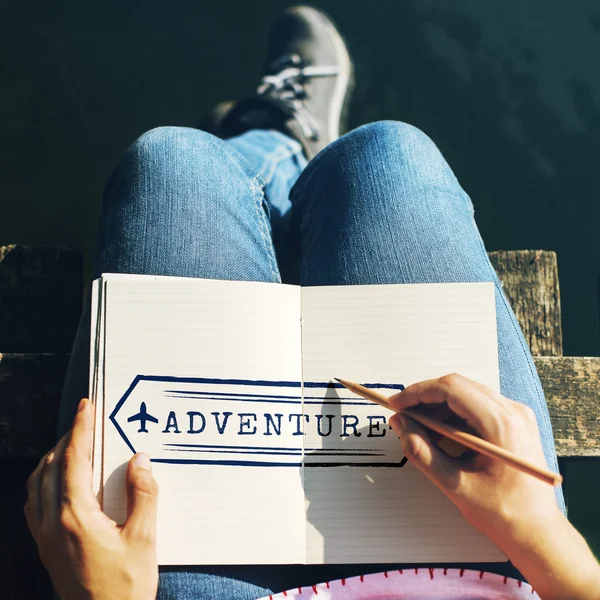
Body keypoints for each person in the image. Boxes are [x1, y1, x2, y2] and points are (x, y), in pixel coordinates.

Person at [24, 6, 600, 599]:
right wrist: (546, 537)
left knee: (172, 163)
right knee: (387, 155)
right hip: (481, 576)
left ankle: (266, 148)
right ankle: (284, 154)